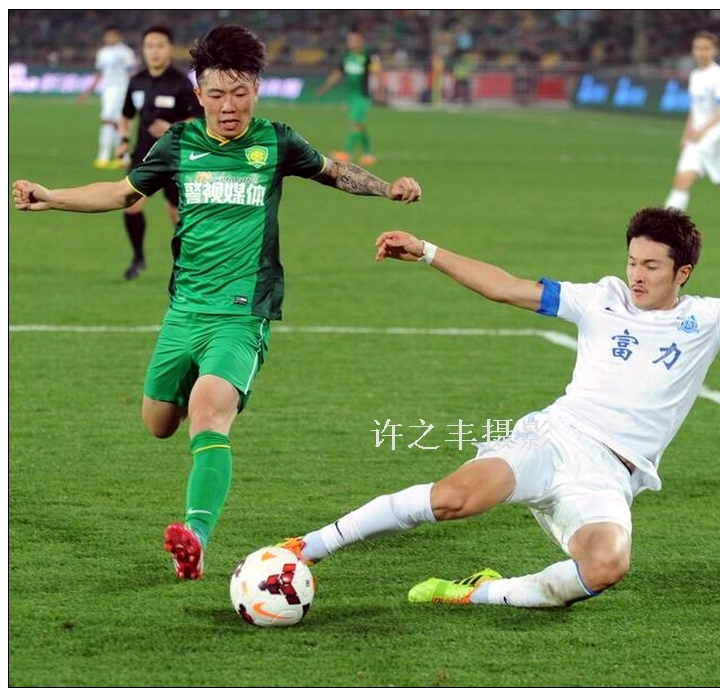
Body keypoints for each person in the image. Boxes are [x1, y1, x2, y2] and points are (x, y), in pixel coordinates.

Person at [12, 24, 422, 582]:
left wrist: (386, 187)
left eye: (240, 93)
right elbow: (122, 192)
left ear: (256, 90)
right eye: (217, 94)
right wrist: (52, 196)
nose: (229, 106)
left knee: (207, 413)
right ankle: (199, 393)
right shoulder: (178, 144)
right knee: (159, 423)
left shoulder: (276, 141)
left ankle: (196, 537)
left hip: (242, 312)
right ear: (199, 93)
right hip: (184, 311)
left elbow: (334, 171)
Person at [274, 207, 720, 609]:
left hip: (610, 477)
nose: (637, 275)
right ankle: (308, 546)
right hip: (553, 440)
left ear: (683, 272)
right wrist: (428, 252)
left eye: (651, 266)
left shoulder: (712, 319)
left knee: (606, 565)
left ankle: (480, 592)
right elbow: (507, 288)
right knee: (454, 498)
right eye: (632, 262)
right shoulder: (601, 298)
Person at [116, 26, 204, 281]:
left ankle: (189, 264)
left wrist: (172, 127)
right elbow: (126, 115)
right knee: (130, 205)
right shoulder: (136, 81)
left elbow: (199, 119)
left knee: (176, 215)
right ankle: (138, 258)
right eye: (149, 46)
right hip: (144, 156)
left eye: (160, 45)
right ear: (143, 50)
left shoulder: (180, 83)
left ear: (170, 48)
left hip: (176, 158)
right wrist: (123, 140)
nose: (154, 51)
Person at [663, 31, 720, 249]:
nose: (701, 52)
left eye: (706, 48)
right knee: (682, 180)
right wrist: (687, 134)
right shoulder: (695, 75)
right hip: (697, 139)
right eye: (698, 48)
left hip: (717, 138)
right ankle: (666, 233)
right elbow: (695, 110)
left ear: (714, 51)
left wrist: (702, 131)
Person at [315, 29, 379, 166]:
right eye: (349, 40)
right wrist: (325, 87)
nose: (351, 42)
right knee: (360, 125)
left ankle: (347, 153)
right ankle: (367, 154)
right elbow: (337, 74)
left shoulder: (368, 56)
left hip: (362, 95)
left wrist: (380, 89)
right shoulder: (346, 56)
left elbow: (377, 72)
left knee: (356, 123)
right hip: (351, 96)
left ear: (360, 41)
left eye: (353, 40)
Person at [78, 26, 138, 170]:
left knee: (112, 122)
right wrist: (88, 92)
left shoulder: (125, 52)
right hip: (108, 91)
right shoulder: (102, 53)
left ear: (118, 36)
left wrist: (134, 91)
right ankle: (122, 158)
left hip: (123, 89)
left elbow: (132, 73)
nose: (109, 38)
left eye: (112, 36)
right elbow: (99, 74)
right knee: (113, 122)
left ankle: (105, 157)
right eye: (107, 36)